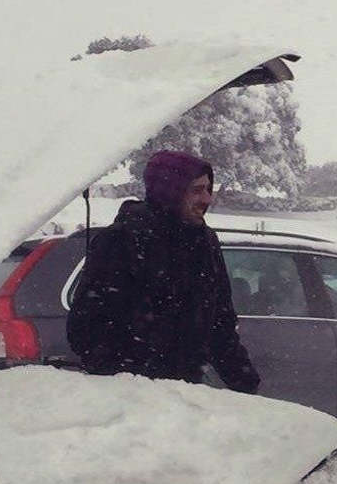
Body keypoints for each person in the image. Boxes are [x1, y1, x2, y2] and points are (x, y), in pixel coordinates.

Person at [67, 150, 259, 393]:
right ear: (171, 191)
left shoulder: (204, 241)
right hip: (131, 394)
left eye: (208, 189)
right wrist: (132, 377)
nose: (207, 199)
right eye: (197, 190)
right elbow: (87, 327)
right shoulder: (122, 240)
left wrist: (245, 384)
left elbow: (220, 323)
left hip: (186, 391)